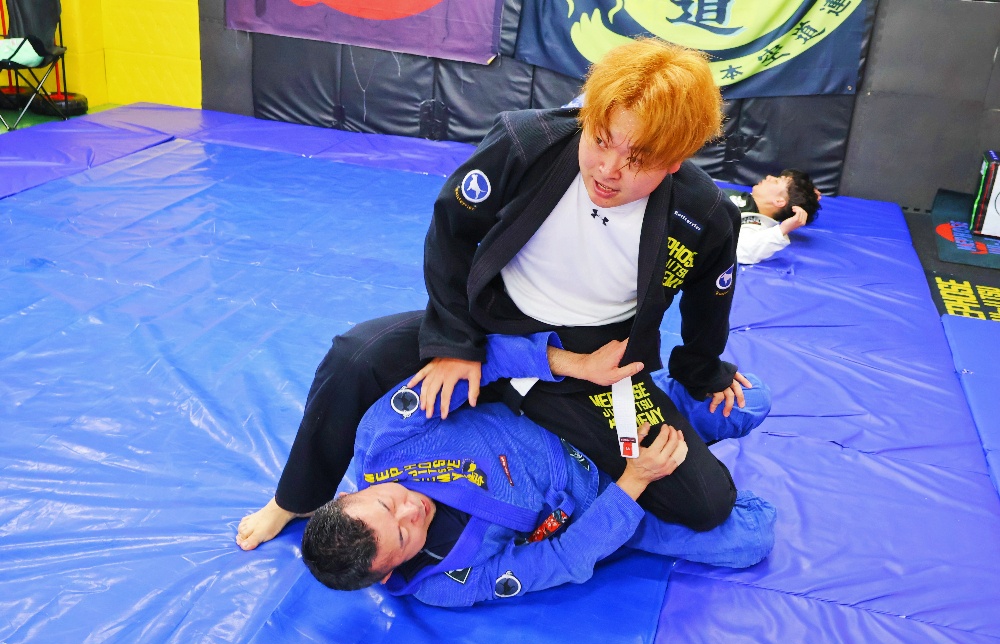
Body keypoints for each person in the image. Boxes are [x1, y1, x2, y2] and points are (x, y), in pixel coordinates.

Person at [238, 37, 748, 551]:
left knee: (704, 501)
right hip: (490, 326)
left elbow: (709, 304)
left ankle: (627, 425)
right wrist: (454, 343)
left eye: (638, 158)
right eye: (601, 139)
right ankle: (295, 498)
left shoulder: (702, 214)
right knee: (354, 357)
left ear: (675, 161)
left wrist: (703, 373)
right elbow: (451, 231)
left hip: (589, 361)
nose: (608, 169)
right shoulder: (527, 142)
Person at [300, 333, 775, 606]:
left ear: (347, 495)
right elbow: (561, 559)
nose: (412, 511)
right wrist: (634, 482)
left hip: (573, 415)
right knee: (749, 540)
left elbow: (478, 360)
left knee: (752, 399)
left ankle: (676, 427)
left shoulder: (384, 440)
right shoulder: (445, 582)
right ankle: (678, 453)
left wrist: (577, 364)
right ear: (390, 574)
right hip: (603, 498)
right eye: (404, 536)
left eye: (388, 504)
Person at [726, 170, 822, 265]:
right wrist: (808, 196)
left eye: (776, 181)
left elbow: (742, 252)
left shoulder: (752, 222)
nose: (769, 177)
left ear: (779, 201)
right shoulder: (749, 201)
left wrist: (782, 229)